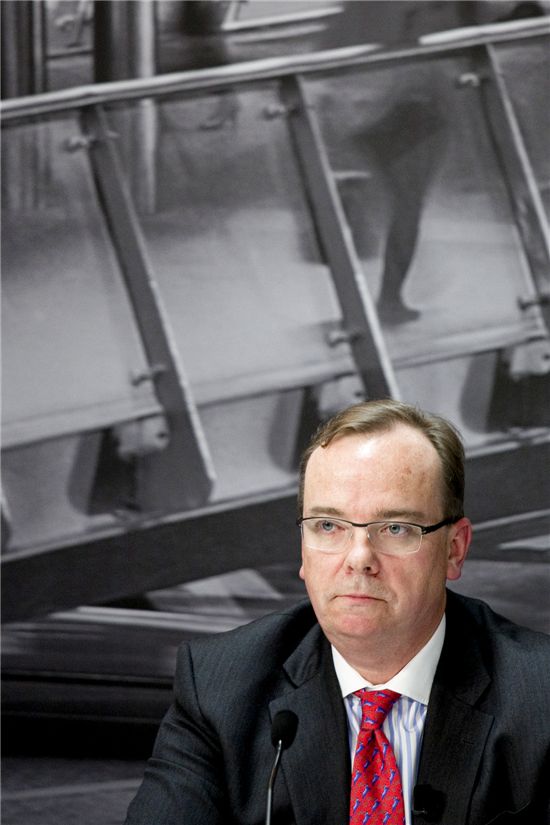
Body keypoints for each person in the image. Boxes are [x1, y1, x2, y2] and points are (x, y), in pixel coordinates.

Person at [125, 398, 550, 824]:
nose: (358, 558)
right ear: (303, 549)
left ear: (454, 550)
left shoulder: (540, 697)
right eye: (328, 526)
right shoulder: (219, 690)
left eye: (395, 528)